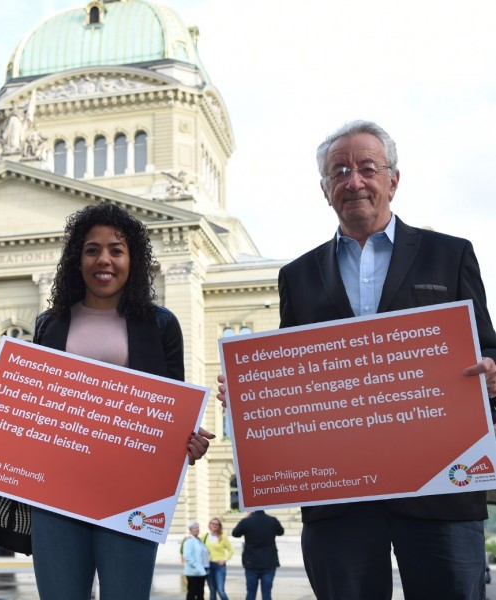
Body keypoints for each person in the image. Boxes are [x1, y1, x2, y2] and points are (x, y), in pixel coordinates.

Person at [220, 120, 496, 599]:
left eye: (367, 168)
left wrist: (493, 369)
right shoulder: (298, 276)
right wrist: (251, 394)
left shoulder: (449, 255)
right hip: (339, 499)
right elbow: (291, 369)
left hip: (438, 486)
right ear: (325, 190)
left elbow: (487, 346)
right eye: (339, 171)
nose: (354, 181)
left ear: (393, 179)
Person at [29, 203, 215, 600]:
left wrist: (188, 441)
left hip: (131, 490)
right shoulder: (49, 324)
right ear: (77, 260)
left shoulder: (161, 324)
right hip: (56, 488)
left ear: (133, 259)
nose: (104, 260)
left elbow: (172, 409)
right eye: (92, 249)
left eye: (116, 249)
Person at [231, 510, 284, 600]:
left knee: (251, 592)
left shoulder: (247, 521)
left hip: (251, 562)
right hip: (269, 562)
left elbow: (235, 533)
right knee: (267, 593)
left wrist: (245, 518)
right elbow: (281, 532)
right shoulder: (272, 520)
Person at [203, 517, 233, 600]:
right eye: (212, 523)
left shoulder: (223, 537)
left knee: (220, 590)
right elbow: (196, 543)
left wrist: (225, 559)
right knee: (212, 591)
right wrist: (188, 538)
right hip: (208, 565)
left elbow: (231, 550)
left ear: (219, 526)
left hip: (219, 566)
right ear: (209, 525)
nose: (214, 525)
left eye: (216, 524)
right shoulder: (204, 536)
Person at [183, 521, 210, 600]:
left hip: (201, 571)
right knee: (192, 593)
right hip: (193, 572)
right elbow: (187, 556)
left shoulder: (199, 540)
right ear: (190, 529)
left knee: (200, 593)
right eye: (195, 528)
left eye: (198, 528)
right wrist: (196, 565)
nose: (197, 529)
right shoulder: (189, 540)